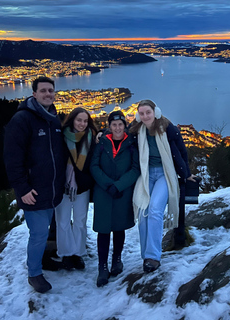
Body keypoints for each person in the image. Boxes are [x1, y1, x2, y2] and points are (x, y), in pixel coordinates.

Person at [3, 76, 66, 293]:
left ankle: (42, 261)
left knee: (47, 231)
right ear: (34, 94)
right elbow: (12, 158)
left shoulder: (54, 119)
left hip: (53, 190)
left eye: (51, 90)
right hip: (33, 191)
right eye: (44, 91)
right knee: (38, 233)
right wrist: (22, 189)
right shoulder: (22, 120)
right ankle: (34, 274)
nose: (48, 94)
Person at [130, 99, 195, 273]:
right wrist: (101, 134)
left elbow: (181, 150)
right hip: (147, 175)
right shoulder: (137, 130)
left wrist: (186, 173)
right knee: (143, 212)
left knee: (155, 210)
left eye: (148, 112)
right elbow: (117, 133)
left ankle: (153, 256)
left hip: (165, 174)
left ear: (155, 112)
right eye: (141, 113)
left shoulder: (168, 128)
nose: (145, 116)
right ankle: (145, 255)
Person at [90, 111, 140, 287]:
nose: (117, 128)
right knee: (103, 229)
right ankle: (102, 267)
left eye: (120, 124)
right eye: (114, 125)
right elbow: (94, 165)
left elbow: (135, 168)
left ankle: (116, 259)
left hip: (122, 190)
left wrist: (118, 186)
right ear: (109, 126)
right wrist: (107, 184)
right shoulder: (102, 142)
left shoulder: (132, 143)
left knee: (119, 227)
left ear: (125, 125)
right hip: (103, 191)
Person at [56, 107, 97, 271]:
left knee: (80, 221)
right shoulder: (60, 137)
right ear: (72, 119)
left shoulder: (91, 138)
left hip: (83, 186)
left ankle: (77, 253)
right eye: (79, 120)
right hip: (63, 186)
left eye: (85, 121)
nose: (82, 124)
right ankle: (66, 254)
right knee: (63, 221)